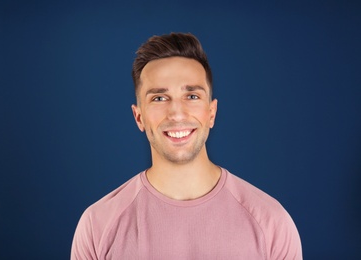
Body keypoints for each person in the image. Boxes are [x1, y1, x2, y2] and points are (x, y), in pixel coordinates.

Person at [71, 32, 302, 260]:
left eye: (192, 96)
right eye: (159, 98)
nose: (177, 113)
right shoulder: (97, 226)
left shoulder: (272, 223)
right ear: (138, 117)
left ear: (211, 113)